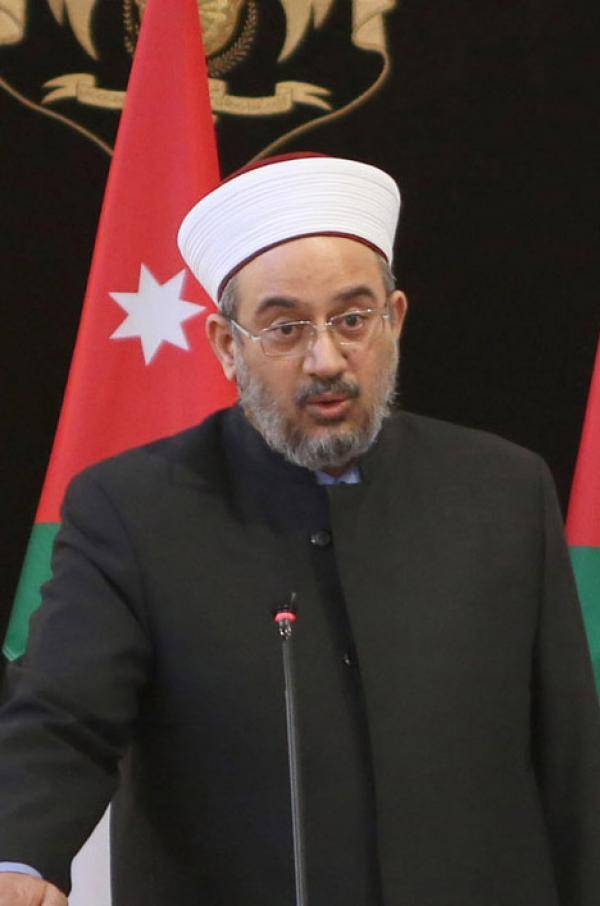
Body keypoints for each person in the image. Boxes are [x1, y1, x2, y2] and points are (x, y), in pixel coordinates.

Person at [0, 154, 599, 906]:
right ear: (226, 345)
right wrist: (19, 858)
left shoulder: (503, 489)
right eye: (285, 328)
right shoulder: (132, 508)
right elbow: (64, 715)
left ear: (395, 319)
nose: (326, 359)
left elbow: (570, 752)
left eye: (352, 319)